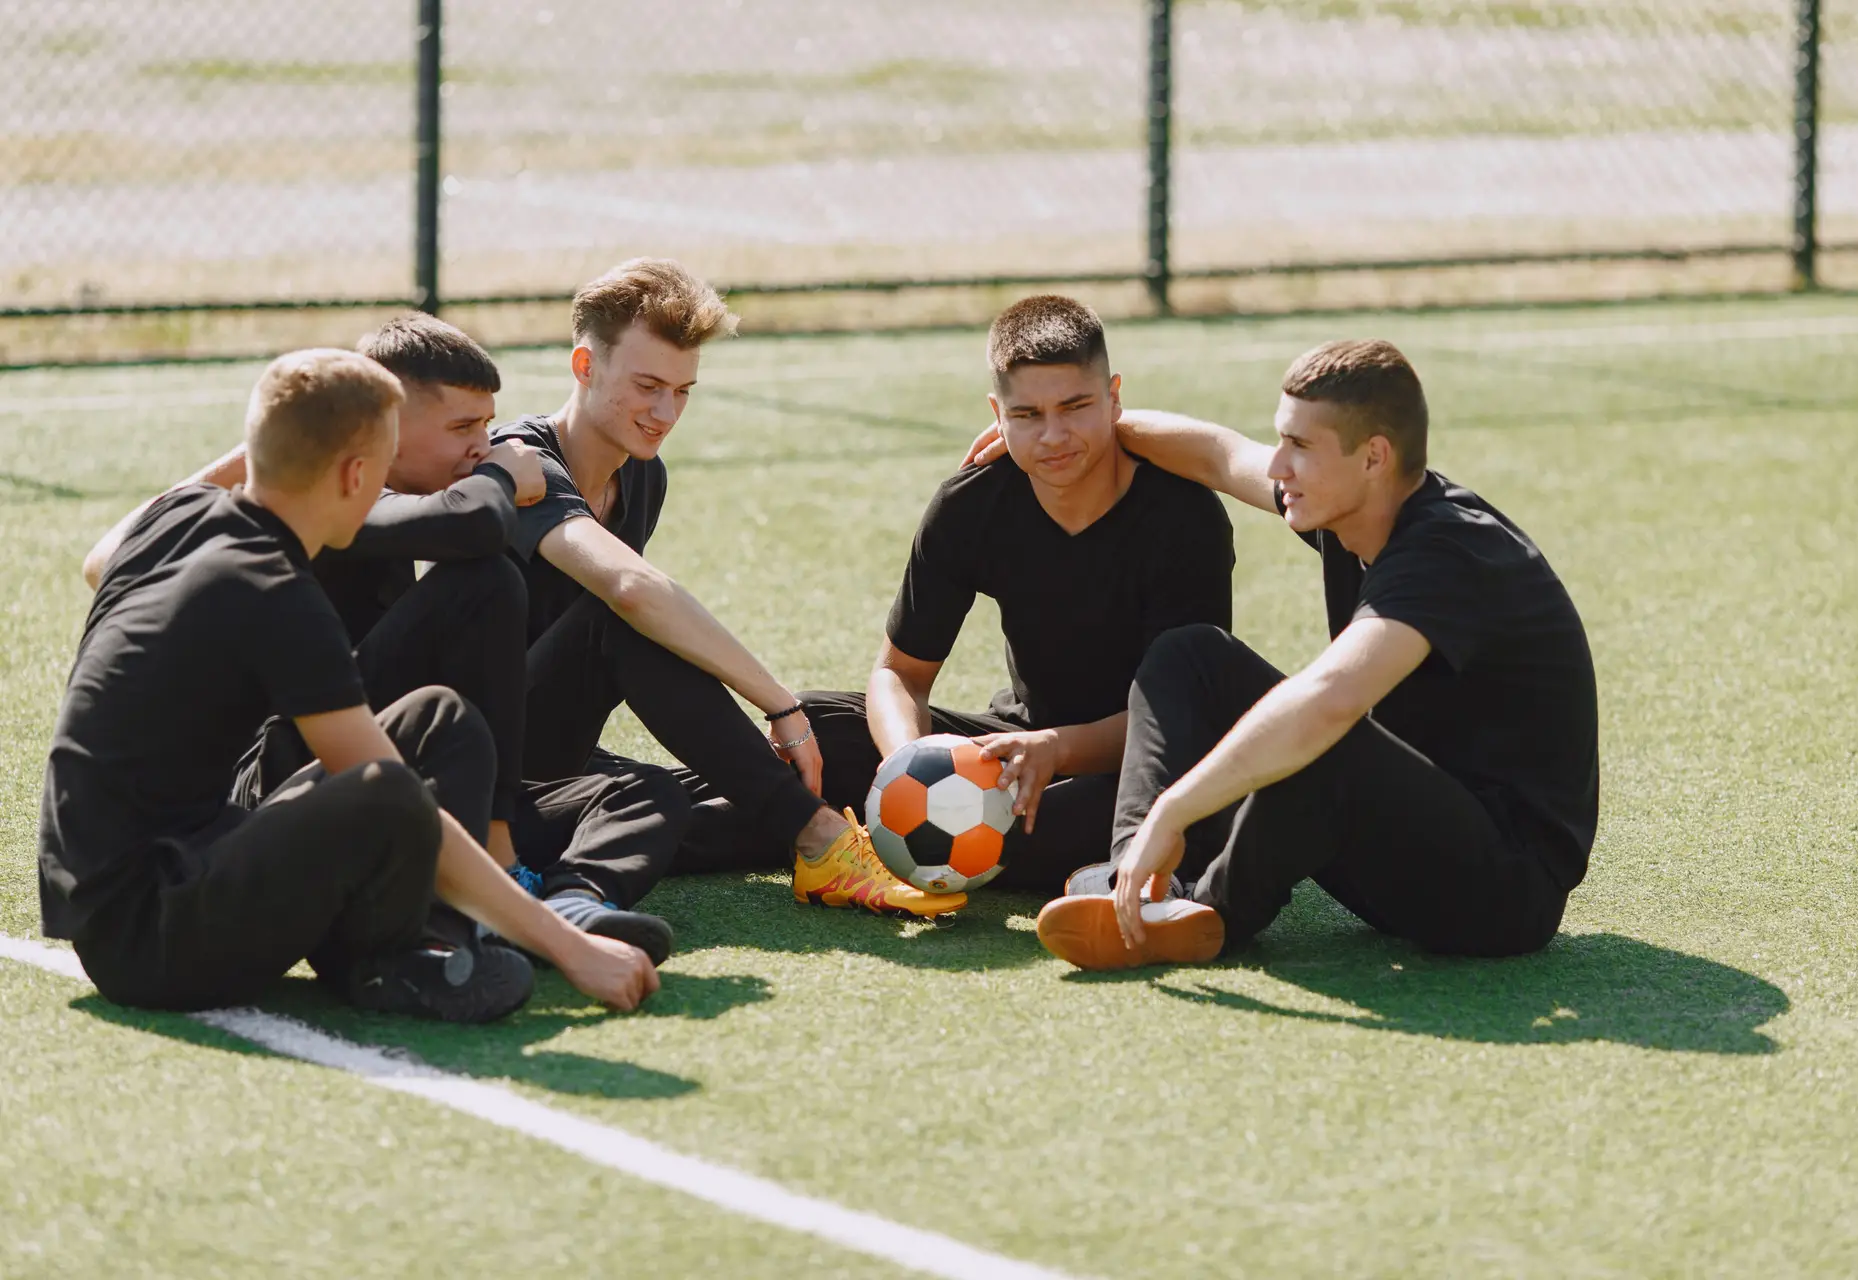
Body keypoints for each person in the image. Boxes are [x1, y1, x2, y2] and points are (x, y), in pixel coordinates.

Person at [43, 349, 658, 1020]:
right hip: (150, 940)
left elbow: (101, 559)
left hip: (168, 879)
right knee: (388, 783)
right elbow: (385, 792)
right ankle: (391, 963)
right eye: (387, 467)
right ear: (357, 474)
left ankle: (430, 940)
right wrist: (571, 947)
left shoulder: (176, 517)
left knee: (437, 719)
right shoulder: (274, 591)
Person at [1000, 339, 1597, 969]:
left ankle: (1209, 915)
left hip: (1500, 894)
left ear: (1374, 457)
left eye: (1300, 448)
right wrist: (1077, 438)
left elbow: (1331, 699)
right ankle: (1138, 886)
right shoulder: (1349, 504)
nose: (1278, 466)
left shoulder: (1449, 554)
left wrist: (1175, 809)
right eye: (1282, 441)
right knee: (1191, 655)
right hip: (1393, 849)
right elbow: (1217, 455)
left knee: (1321, 728)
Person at [493, 257, 960, 918]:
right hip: (477, 764)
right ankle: (820, 837)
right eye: (648, 385)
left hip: (558, 762)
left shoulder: (642, 476)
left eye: (683, 390)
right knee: (619, 615)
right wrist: (777, 704)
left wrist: (801, 722)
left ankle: (794, 826)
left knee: (831, 746)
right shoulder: (520, 465)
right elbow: (629, 589)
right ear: (584, 366)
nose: (664, 412)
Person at [795, 295, 1235, 892]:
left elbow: (1187, 712)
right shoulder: (972, 504)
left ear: (1114, 397)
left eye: (1076, 406)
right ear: (996, 413)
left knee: (1174, 811)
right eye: (1027, 414)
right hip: (1021, 740)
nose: (1054, 435)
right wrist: (910, 769)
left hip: (1142, 760)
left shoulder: (1184, 516)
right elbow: (899, 675)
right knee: (816, 724)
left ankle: (870, 836)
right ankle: (829, 825)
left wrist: (1056, 750)